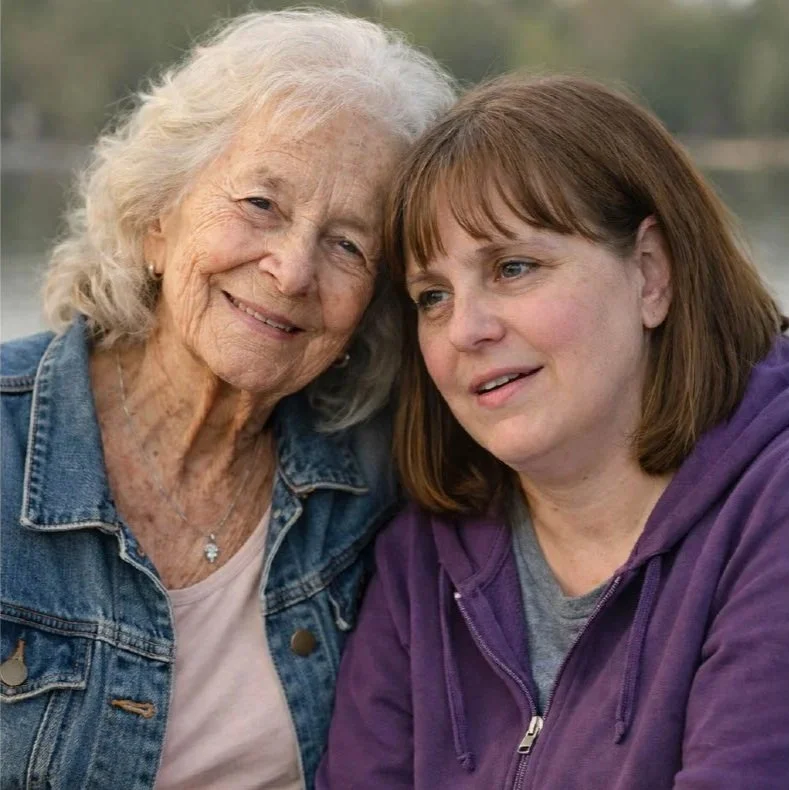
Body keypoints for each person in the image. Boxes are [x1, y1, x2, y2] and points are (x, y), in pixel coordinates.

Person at [0, 10, 455, 789]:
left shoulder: (382, 480)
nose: (291, 270)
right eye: (260, 205)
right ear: (156, 219)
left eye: (348, 244)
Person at [318, 74, 789, 788]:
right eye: (432, 297)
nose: (466, 330)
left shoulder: (769, 512)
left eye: (512, 267)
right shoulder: (420, 562)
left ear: (650, 273)